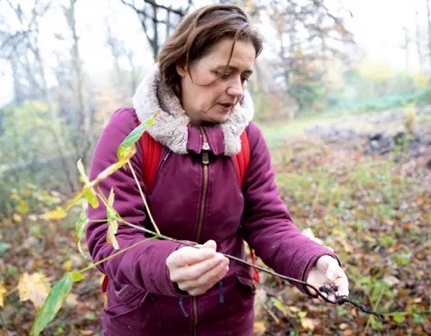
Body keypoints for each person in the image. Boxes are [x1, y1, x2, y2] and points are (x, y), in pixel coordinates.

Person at [86, 4, 349, 335]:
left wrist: (309, 261)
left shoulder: (247, 138)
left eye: (244, 76)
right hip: (143, 321)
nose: (237, 89)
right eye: (223, 73)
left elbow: (267, 221)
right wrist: (167, 265)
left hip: (229, 319)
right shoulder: (130, 133)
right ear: (183, 63)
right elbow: (109, 235)